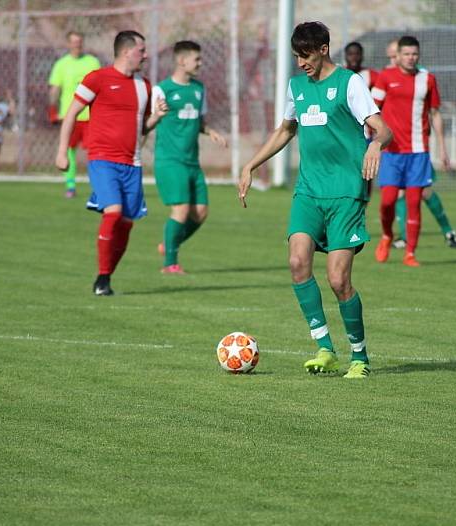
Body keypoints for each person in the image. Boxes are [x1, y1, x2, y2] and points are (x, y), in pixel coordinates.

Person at [238, 21, 392, 379]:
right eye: (295, 56)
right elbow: (286, 129)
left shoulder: (350, 83)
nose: (300, 62)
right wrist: (251, 164)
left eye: (305, 55)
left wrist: (374, 144)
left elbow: (383, 128)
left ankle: (360, 357)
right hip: (308, 191)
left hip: (345, 193)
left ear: (323, 49)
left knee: (339, 281)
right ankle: (324, 348)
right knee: (296, 262)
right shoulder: (297, 87)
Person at [55, 30, 168, 296]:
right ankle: (103, 279)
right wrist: (62, 151)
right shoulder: (97, 78)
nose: (146, 55)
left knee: (126, 223)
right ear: (127, 51)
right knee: (114, 212)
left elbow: (141, 130)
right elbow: (71, 114)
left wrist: (156, 118)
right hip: (102, 159)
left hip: (133, 164)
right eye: (142, 50)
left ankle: (104, 278)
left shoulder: (145, 86)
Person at [371, 35, 452, 267]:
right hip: (392, 151)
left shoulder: (427, 79)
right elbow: (371, 109)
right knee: (387, 202)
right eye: (406, 54)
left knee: (414, 202)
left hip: (418, 152)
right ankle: (387, 235)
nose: (410, 58)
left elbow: (435, 114)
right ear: (398, 55)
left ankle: (410, 253)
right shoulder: (386, 77)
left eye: (414, 54)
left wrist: (443, 148)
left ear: (418, 55)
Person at [151, 40, 227, 274]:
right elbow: (148, 122)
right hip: (169, 161)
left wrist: (211, 131)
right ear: (182, 61)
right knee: (181, 210)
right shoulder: (161, 90)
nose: (200, 63)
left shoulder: (198, 89)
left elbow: (199, 120)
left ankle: (169, 245)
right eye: (197, 59)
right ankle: (170, 264)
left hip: (192, 161)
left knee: (201, 212)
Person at [49, 31, 101, 198]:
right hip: (69, 116)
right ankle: (70, 185)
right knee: (68, 150)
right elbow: (55, 89)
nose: (77, 45)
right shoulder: (61, 64)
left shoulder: (92, 62)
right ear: (68, 44)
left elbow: (101, 86)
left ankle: (99, 185)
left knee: (95, 151)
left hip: (90, 116)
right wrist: (52, 109)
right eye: (73, 42)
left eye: (79, 42)